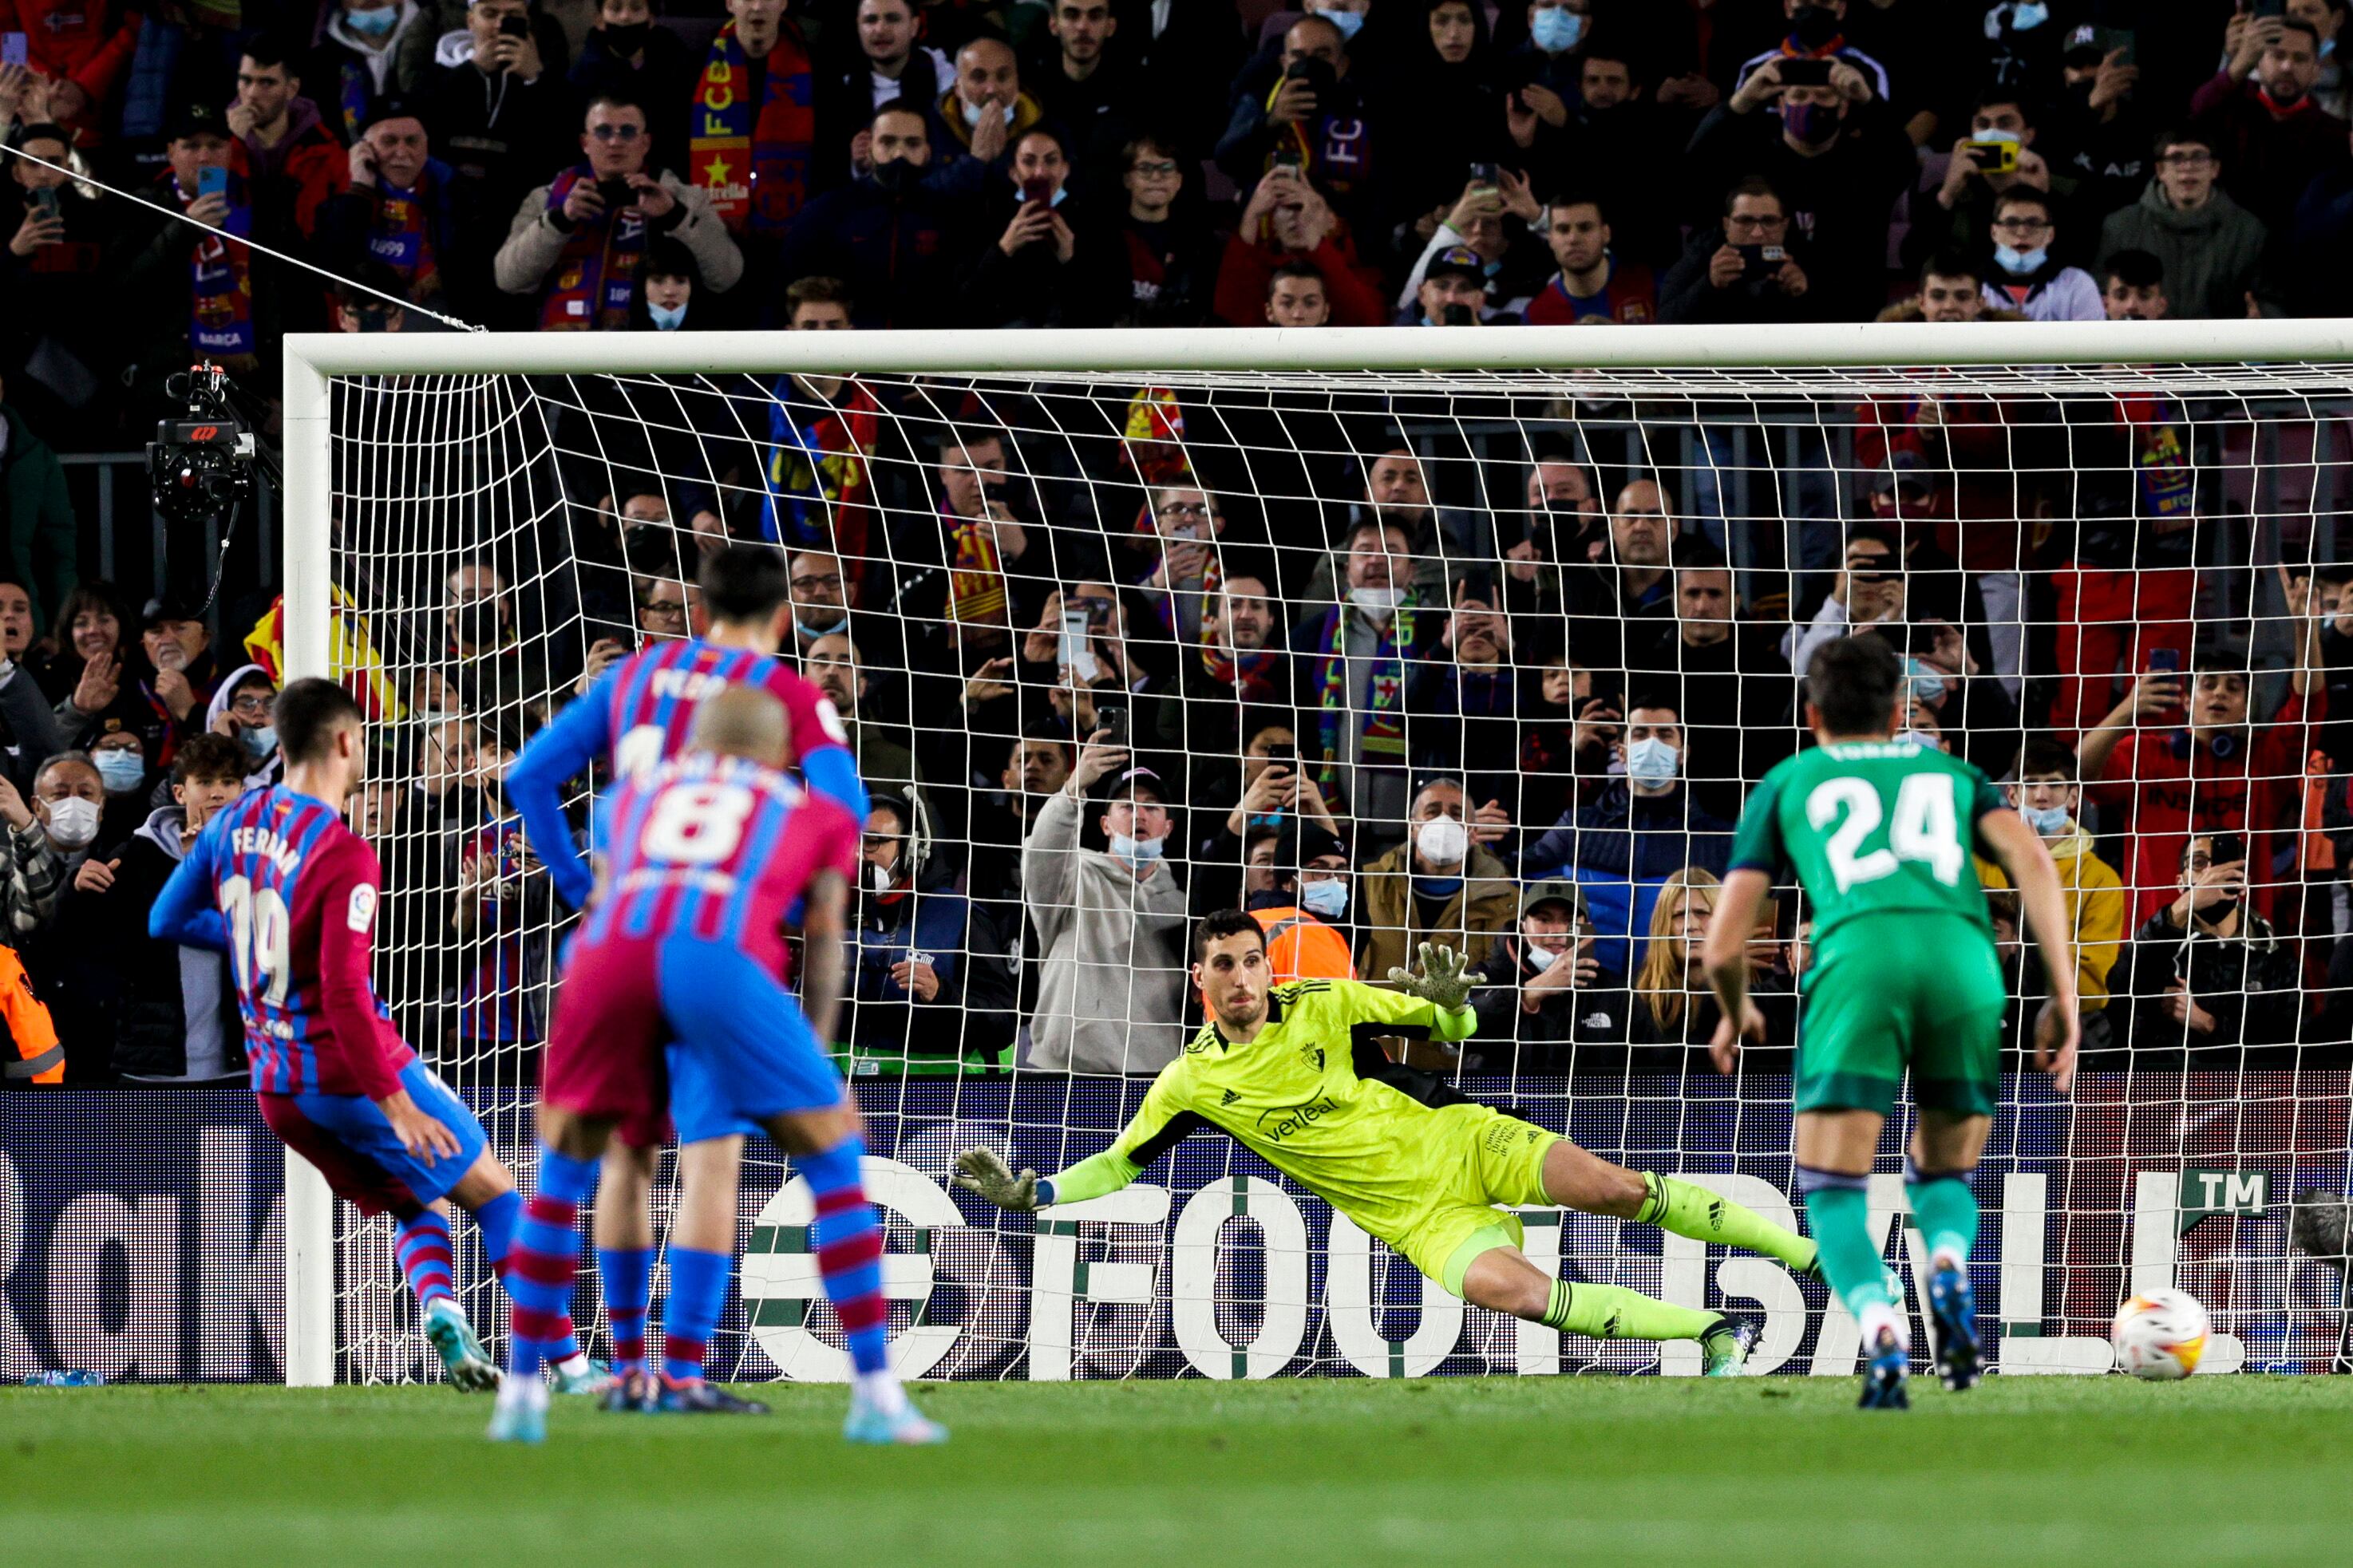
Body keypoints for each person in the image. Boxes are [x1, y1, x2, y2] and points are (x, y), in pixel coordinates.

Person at [954, 911, 1834, 1374]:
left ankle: (1804, 1250)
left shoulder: (1326, 1003)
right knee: (1519, 1296)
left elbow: (1441, 1019)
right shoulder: (1190, 1081)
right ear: (1200, 979)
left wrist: (1452, 999)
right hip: (1414, 1218)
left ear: (1268, 965)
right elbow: (1120, 1160)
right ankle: (1712, 1333)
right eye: (1221, 964)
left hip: (1461, 1139)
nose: (1239, 978)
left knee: (1615, 1190)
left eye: (1250, 960)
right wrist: (1037, 1197)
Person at [494, 688, 944, 1444]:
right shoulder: (812, 813)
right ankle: (875, 1393)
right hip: (719, 955)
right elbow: (826, 936)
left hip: (604, 959)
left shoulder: (626, 799)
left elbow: (607, 882)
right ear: (779, 758)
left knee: (567, 1168)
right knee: (833, 1157)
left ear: (694, 747)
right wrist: (817, 1056)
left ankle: (520, 1398)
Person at [147, 679, 604, 1397]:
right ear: (345, 741)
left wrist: (256, 956)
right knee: (494, 1193)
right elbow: (344, 994)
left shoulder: (234, 821)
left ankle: (443, 1308)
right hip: (347, 1072)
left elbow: (165, 919)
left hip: (278, 1092)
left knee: (412, 1201)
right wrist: (396, 1103)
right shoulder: (344, 852)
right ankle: (576, 1371)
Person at [1702, 634, 2081, 1408]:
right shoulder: (1951, 774)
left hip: (1859, 961)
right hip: (1963, 962)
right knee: (1943, 1171)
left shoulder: (1786, 780)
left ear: (1811, 714)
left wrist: (1735, 1005)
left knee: (1832, 1183)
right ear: (1893, 712)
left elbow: (1719, 945)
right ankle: (1945, 1260)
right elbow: (2034, 865)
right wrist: (2062, 996)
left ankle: (1880, 1327)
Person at [2078, 597, 2323, 924]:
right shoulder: (2146, 754)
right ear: (2186, 701)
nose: (2219, 693)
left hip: (2241, 938)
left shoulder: (2264, 760)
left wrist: (2304, 629)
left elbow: (2307, 708)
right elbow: (2079, 772)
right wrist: (2127, 709)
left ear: (2246, 707)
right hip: (2159, 939)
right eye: (2208, 685)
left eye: (2233, 688)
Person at [494, 93, 743, 331]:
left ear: (645, 143)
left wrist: (673, 215)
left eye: (627, 131)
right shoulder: (547, 199)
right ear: (585, 143)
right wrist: (560, 220)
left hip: (651, 352)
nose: (615, 142)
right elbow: (508, 279)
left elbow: (726, 276)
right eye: (603, 132)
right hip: (564, 353)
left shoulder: (684, 198)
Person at [1022, 737, 1188, 1073]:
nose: (1139, 814)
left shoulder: (1184, 900)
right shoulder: (1073, 877)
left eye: (1152, 806)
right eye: (1126, 806)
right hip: (1062, 1072)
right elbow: (1044, 851)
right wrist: (1073, 790)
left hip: (1154, 1079)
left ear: (1168, 828)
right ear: (1105, 824)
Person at [2104, 831, 2303, 1062]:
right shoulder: (2159, 947)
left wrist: (2205, 1023)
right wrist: (2184, 906)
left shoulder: (2275, 960)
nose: (2211, 875)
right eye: (2199, 864)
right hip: (2164, 1088)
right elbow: (2117, 996)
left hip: (2244, 1092)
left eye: (2223, 865)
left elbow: (2282, 1052)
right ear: (2180, 883)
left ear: (2244, 883)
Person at [1976, 739, 2124, 1027]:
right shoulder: (1977, 861)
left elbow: (2092, 987)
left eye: (2055, 785)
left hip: (2059, 1025)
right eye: (2030, 784)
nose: (2042, 796)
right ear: (2013, 794)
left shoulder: (2101, 881)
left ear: (2074, 797)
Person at [2192, 15, 2351, 231]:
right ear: (2259, 62)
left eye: (2300, 58)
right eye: (2278, 55)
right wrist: (2238, 64)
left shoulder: (2334, 135)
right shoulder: (2231, 107)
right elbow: (2197, 114)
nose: (2287, 67)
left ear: (2316, 71)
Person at [685, 0, 821, 247]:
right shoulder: (694, 67)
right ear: (729, 3)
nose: (757, 7)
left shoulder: (817, 68)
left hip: (796, 228)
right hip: (713, 233)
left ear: (784, 4)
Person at [1466, 881, 1629, 1075]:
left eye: (1569, 921)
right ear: (1523, 928)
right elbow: (1454, 1034)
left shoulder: (1616, 992)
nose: (1556, 931)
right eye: (1543, 920)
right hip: (1501, 1104)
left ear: (1587, 928)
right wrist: (1527, 994)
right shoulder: (1482, 978)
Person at [1520, 197, 1659, 325]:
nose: (1573, 239)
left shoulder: (1654, 284)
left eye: (1585, 228)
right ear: (1550, 239)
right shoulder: (1536, 315)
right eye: (1563, 230)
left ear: (1605, 234)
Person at [1978, 188, 2101, 322]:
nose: (2022, 232)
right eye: (2011, 223)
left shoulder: (2077, 284)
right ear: (1994, 232)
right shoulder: (1975, 284)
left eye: (2033, 223)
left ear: (2050, 234)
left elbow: (2093, 341)